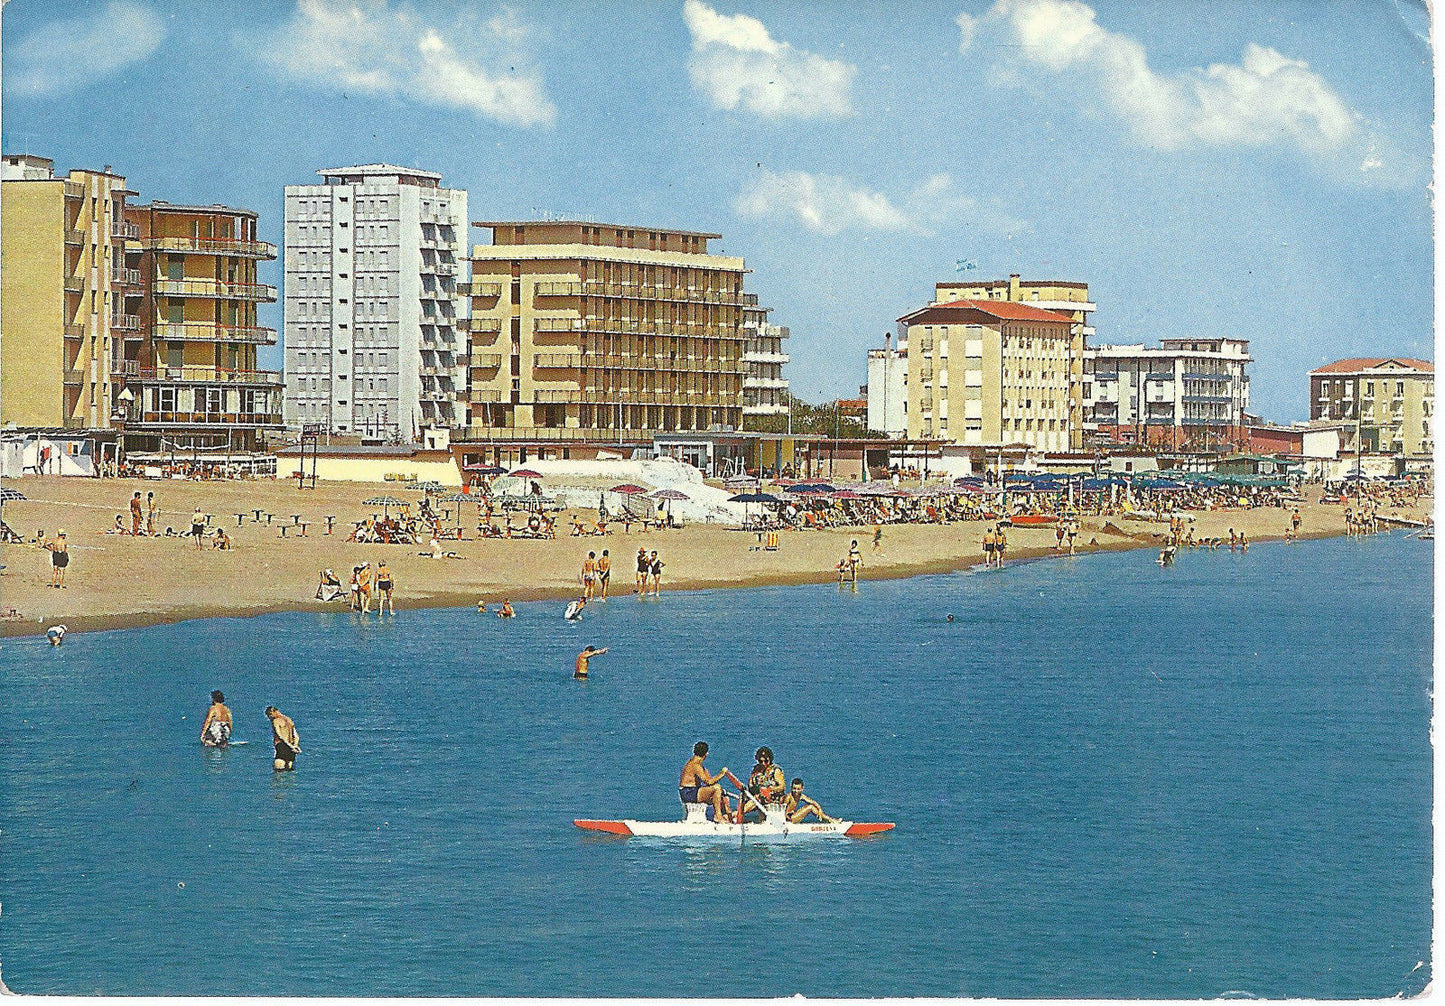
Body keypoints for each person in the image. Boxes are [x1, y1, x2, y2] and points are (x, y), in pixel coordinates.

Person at [679, 741, 732, 824]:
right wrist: (722, 774)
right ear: (706, 754)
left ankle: (726, 817)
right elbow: (709, 782)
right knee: (716, 788)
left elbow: (708, 780)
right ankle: (718, 817)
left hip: (693, 791)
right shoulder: (695, 765)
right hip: (688, 792)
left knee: (721, 793)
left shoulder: (698, 764)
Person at [743, 746, 786, 822]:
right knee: (743, 797)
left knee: (756, 799)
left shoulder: (775, 770)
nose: (763, 764)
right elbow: (750, 784)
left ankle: (738, 814)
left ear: (770, 759)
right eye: (760, 761)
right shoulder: (756, 769)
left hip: (773, 797)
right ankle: (730, 814)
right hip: (758, 795)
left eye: (766, 761)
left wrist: (768, 790)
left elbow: (782, 787)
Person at [265, 706, 300, 771]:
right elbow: (296, 736)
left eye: (269, 715)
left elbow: (280, 736)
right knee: (290, 771)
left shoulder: (276, 721)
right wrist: (295, 746)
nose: (269, 718)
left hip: (281, 746)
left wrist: (290, 746)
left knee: (278, 772)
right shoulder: (289, 720)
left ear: (273, 712)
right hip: (291, 747)